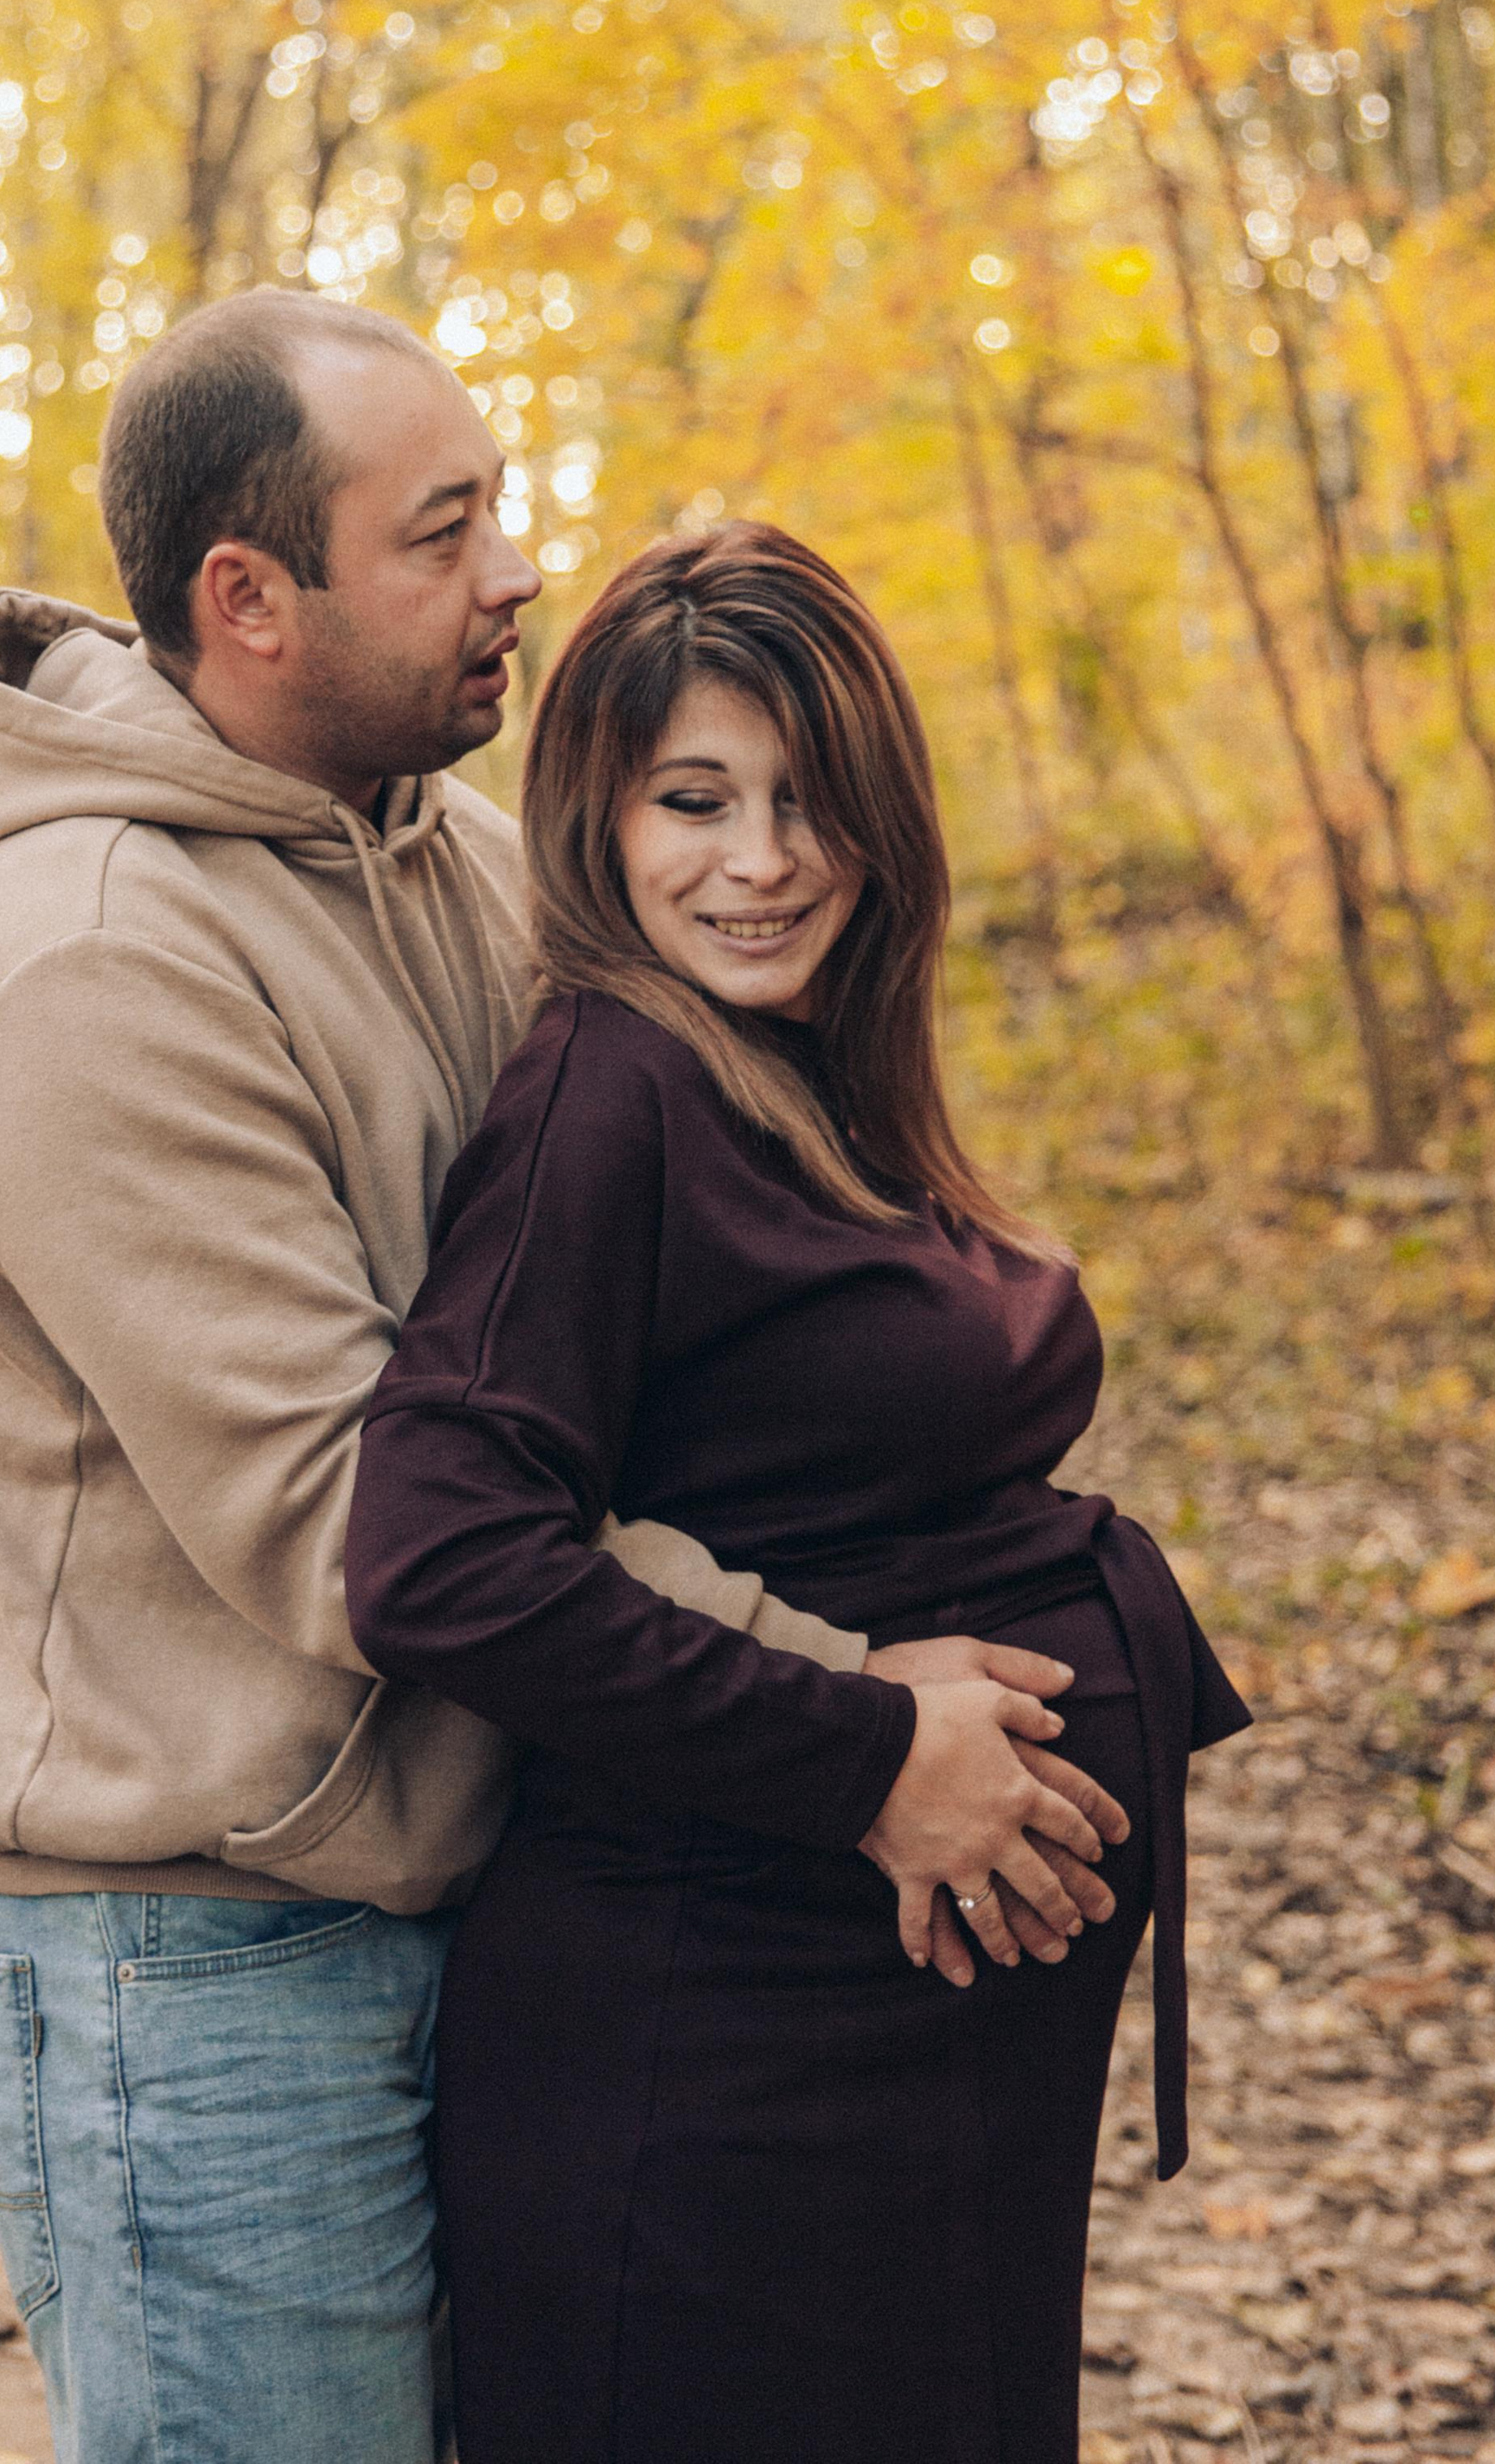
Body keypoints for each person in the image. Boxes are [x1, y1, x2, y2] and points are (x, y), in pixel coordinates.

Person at [0, 292, 1121, 2464]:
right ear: (250, 600)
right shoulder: (84, 961)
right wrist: (853, 1716)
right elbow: (380, 1538)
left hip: (492, 1874)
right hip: (200, 1970)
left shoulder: (439, 853)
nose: (517, 570)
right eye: (444, 532)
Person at [347, 518, 1252, 2464]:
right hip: (718, 2074)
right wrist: (860, 1749)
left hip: (891, 2071)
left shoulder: (795, 1059)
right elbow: (439, 1558)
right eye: (693, 798)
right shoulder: (604, 1086)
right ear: (594, 806)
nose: (757, 859)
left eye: (803, 798)